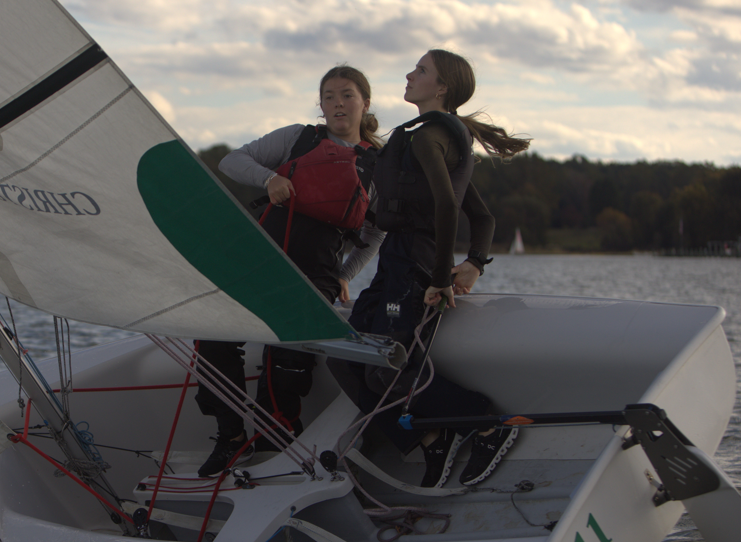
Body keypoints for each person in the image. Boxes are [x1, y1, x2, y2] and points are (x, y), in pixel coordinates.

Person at [332, 49, 530, 487]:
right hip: (396, 261)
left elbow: (448, 206)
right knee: (343, 354)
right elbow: (483, 218)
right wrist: (474, 262)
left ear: (441, 87)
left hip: (415, 264)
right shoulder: (425, 136)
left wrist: (444, 278)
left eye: (420, 70)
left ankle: (486, 423)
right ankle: (430, 439)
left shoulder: (427, 138)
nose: (409, 74)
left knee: (387, 366)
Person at [196, 65, 386, 477]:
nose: (338, 102)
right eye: (330, 95)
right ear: (320, 105)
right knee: (213, 336)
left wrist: (346, 273)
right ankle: (230, 437)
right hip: (261, 256)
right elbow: (232, 161)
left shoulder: (378, 165)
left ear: (365, 103)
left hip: (317, 269)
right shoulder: (298, 138)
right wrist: (268, 180)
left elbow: (374, 234)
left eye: (347, 95)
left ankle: (273, 441)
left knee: (285, 355)